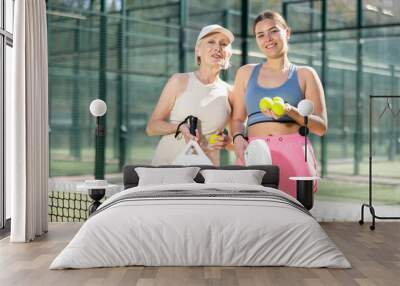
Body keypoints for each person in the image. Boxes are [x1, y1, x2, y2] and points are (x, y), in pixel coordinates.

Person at [230, 10, 328, 198]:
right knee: (252, 214)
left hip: (295, 153)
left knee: (296, 213)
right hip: (254, 153)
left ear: (287, 33)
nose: (268, 38)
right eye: (260, 34)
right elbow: (237, 119)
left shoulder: (305, 74)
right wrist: (238, 139)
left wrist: (290, 111)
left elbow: (321, 127)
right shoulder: (245, 73)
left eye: (273, 31)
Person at [146, 24, 234, 166]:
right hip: (167, 167)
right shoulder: (179, 81)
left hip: (206, 174)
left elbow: (235, 144)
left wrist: (227, 142)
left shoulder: (231, 93)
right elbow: (152, 127)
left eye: (223, 44)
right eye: (211, 42)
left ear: (228, 54)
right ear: (198, 50)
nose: (218, 47)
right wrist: (180, 127)